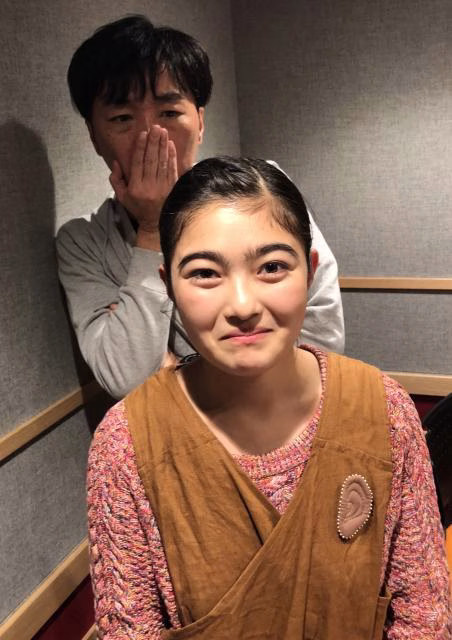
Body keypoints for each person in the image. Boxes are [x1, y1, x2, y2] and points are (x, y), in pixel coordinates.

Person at [87, 157, 451, 639]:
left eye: (272, 267)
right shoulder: (127, 445)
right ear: (167, 286)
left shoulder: (385, 411)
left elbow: (423, 616)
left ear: (311, 271)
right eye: (204, 273)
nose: (242, 305)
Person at [56, 15, 344, 399]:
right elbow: (126, 380)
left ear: (200, 122)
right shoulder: (84, 242)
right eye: (123, 118)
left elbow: (323, 337)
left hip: (291, 413)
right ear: (94, 136)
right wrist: (152, 228)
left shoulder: (263, 190)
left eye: (169, 113)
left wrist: (176, 368)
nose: (151, 135)